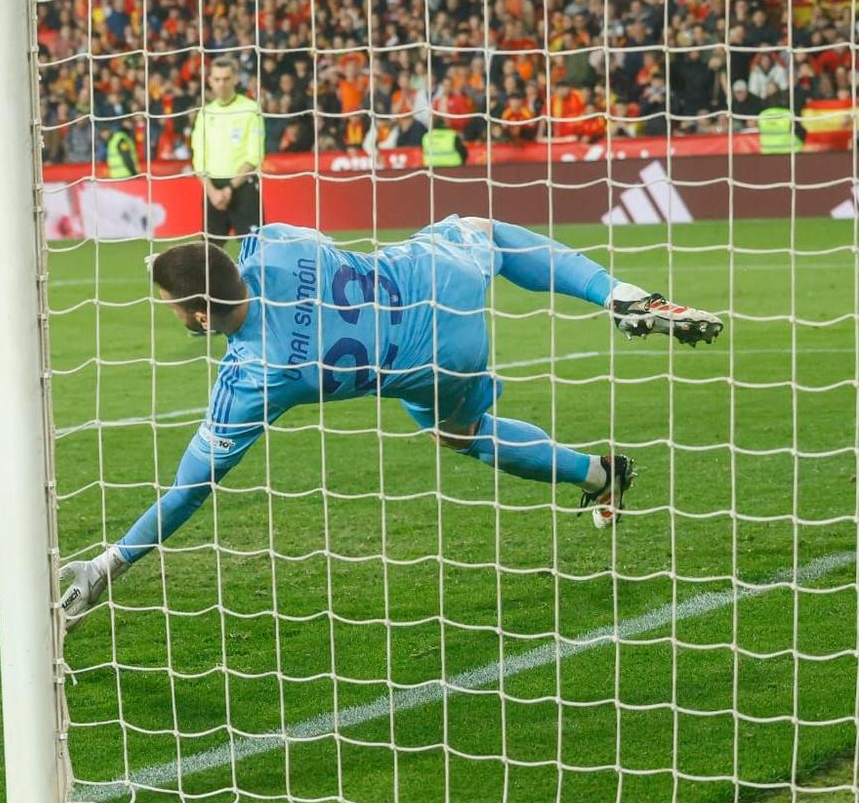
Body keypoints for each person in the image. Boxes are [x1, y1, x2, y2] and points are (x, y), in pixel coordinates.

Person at [56, 216, 725, 618]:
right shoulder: (275, 246)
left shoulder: (252, 378)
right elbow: (225, 257)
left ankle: (598, 475)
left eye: (176, 307)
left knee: (457, 432)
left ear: (200, 315)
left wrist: (107, 565)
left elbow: (187, 492)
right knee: (488, 231)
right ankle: (617, 293)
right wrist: (175, 262)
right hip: (435, 277)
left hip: (439, 358)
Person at [189, 56, 265, 243]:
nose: (221, 84)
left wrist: (231, 187)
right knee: (208, 254)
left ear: (235, 79)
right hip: (212, 187)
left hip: (243, 186)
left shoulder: (250, 109)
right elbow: (198, 157)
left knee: (257, 250)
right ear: (210, 81)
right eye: (217, 79)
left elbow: (255, 156)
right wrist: (212, 191)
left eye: (226, 79)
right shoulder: (205, 113)